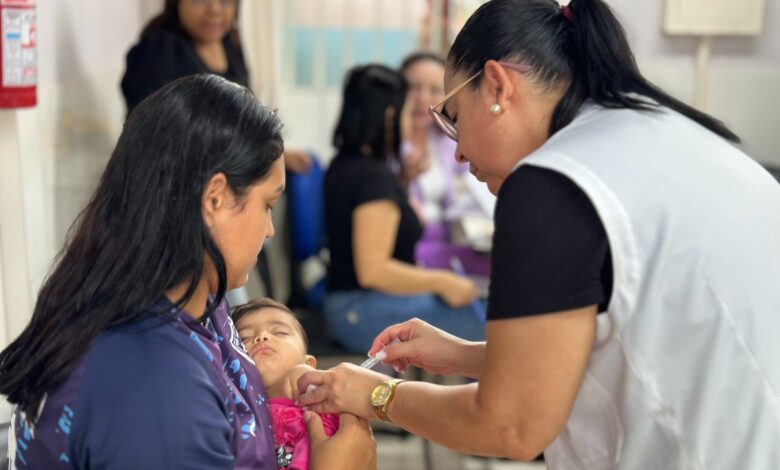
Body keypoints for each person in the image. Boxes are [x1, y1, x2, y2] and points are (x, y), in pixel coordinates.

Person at [295, 0, 780, 468]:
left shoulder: (555, 182)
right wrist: (463, 355)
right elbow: (603, 341)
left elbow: (511, 424)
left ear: (498, 86)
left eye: (454, 117)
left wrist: (374, 394)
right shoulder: (666, 134)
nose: (459, 151)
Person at [0, 75, 374, 469]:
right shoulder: (155, 390)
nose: (270, 230)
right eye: (267, 205)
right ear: (214, 199)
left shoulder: (194, 302)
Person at [323, 64, 485, 354]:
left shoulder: (347, 164)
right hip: (359, 310)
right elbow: (373, 271)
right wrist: (443, 282)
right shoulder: (372, 177)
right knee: (495, 320)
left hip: (352, 306)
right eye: (407, 111)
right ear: (389, 115)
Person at [120, 0, 311, 173]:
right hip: (172, 180)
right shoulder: (158, 50)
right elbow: (179, 138)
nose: (215, 9)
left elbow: (244, 121)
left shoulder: (229, 44)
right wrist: (264, 156)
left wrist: (271, 154)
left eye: (225, 1)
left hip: (223, 171)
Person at [399, 52, 493, 277]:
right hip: (405, 249)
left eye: (433, 90)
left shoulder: (448, 141)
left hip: (451, 241)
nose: (422, 98)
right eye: (413, 87)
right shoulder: (386, 144)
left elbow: (472, 191)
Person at [232, 298, 340, 470]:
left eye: (280, 332)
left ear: (309, 363)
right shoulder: (236, 405)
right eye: (244, 338)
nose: (262, 337)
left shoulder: (302, 382)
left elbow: (325, 426)